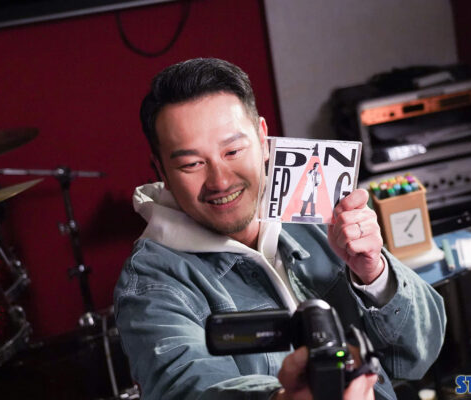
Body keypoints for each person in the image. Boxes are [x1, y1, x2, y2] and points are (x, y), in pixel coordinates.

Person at [114, 58, 446, 400]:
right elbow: (186, 388)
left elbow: (418, 355)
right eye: (191, 164)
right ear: (161, 171)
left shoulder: (315, 205)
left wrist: (375, 274)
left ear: (262, 137)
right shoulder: (152, 283)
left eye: (233, 151)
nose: (220, 181)